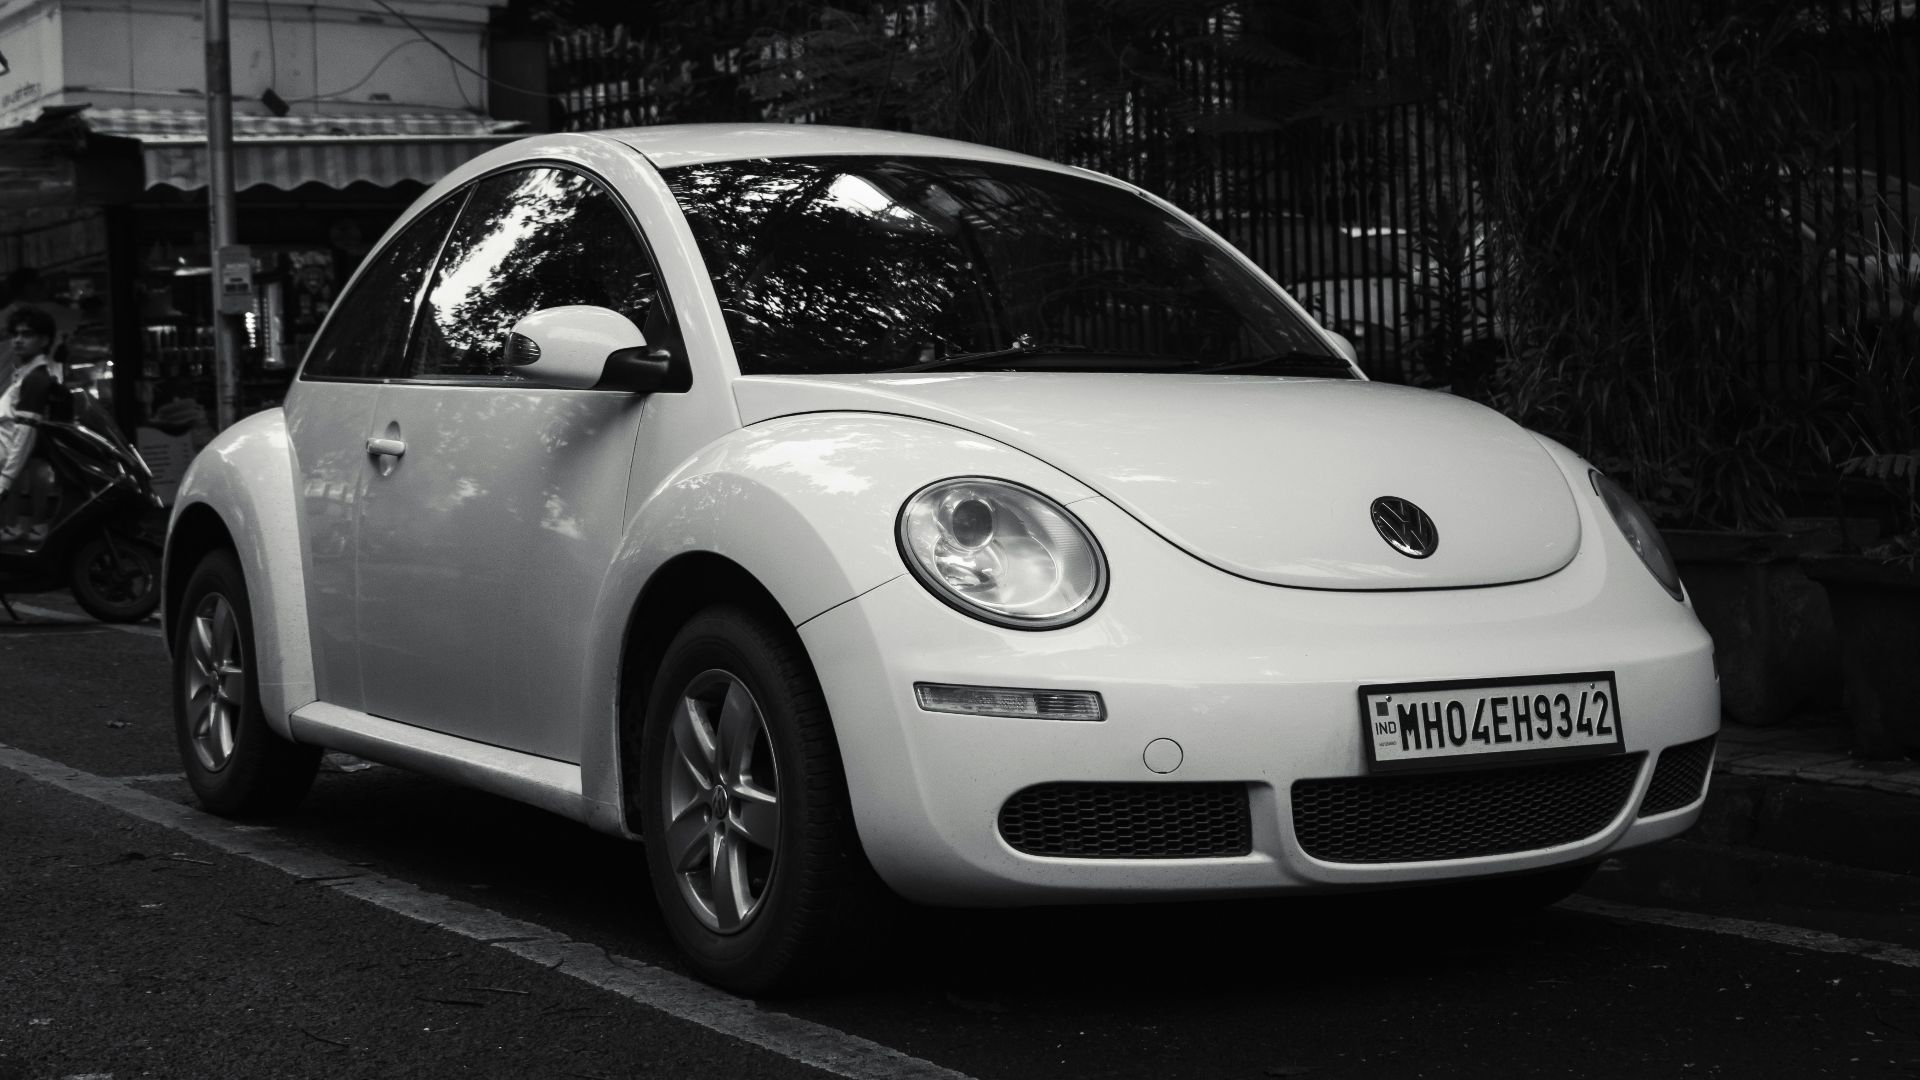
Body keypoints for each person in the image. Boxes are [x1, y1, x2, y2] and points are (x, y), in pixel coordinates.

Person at [0, 306, 65, 546]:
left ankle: (32, 526)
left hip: (18, 450)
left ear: (44, 340)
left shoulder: (37, 378)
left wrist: (5, 480)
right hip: (12, 451)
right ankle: (16, 525)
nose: (17, 340)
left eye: (26, 335)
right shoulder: (25, 374)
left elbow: (25, 433)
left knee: (34, 478)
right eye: (15, 334)